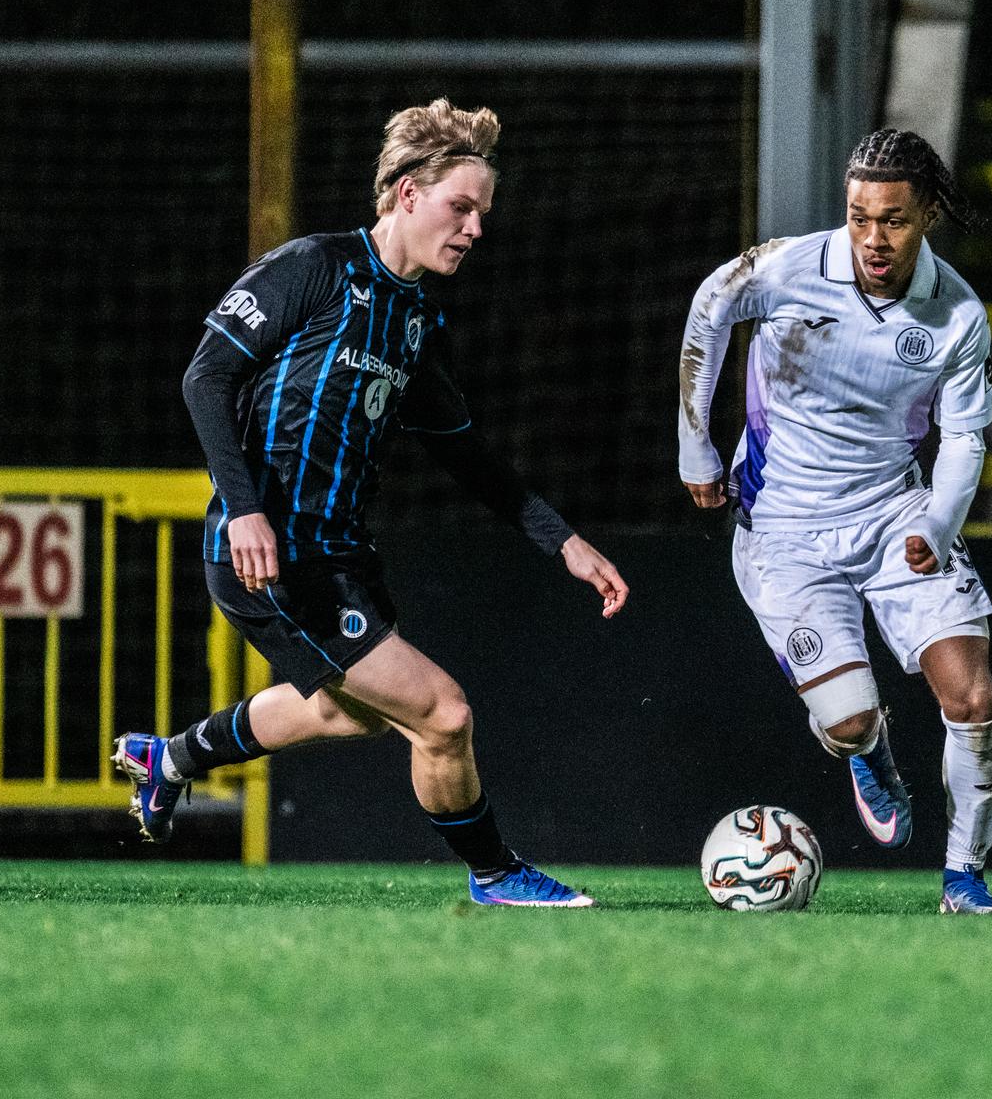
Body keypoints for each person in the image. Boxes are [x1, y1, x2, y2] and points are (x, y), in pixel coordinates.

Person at [114, 98, 628, 907]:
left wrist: (563, 541)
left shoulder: (415, 318)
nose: (474, 229)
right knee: (443, 714)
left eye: (483, 214)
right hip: (272, 552)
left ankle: (169, 758)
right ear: (407, 193)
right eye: (461, 207)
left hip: (340, 554)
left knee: (348, 715)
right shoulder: (314, 267)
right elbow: (205, 377)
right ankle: (497, 873)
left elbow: (464, 451)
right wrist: (244, 509)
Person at [676, 129, 992, 914]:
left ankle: (964, 878)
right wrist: (695, 445)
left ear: (927, 215)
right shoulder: (788, 266)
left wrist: (938, 523)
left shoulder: (958, 313)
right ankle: (869, 749)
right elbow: (711, 305)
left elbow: (964, 439)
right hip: (782, 528)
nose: (872, 238)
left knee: (972, 700)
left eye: (893, 220)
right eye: (859, 217)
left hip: (895, 513)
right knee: (851, 722)